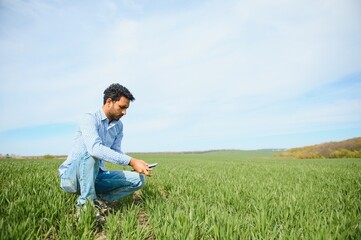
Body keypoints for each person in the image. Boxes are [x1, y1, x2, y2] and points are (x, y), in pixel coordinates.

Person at [58, 83, 152, 216]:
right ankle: (86, 207)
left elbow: (116, 151)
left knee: (138, 180)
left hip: (96, 176)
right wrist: (131, 161)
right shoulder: (89, 118)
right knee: (93, 153)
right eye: (122, 107)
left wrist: (137, 164)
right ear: (109, 102)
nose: (125, 112)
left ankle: (98, 201)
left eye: (126, 108)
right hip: (72, 178)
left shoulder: (118, 126)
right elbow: (95, 150)